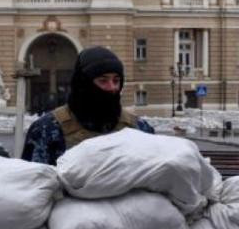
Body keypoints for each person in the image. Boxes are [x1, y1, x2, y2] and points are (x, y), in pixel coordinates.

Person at [21, 46, 154, 165]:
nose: (112, 87)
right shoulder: (47, 130)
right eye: (103, 80)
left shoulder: (138, 128)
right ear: (83, 84)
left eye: (116, 80)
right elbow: (32, 185)